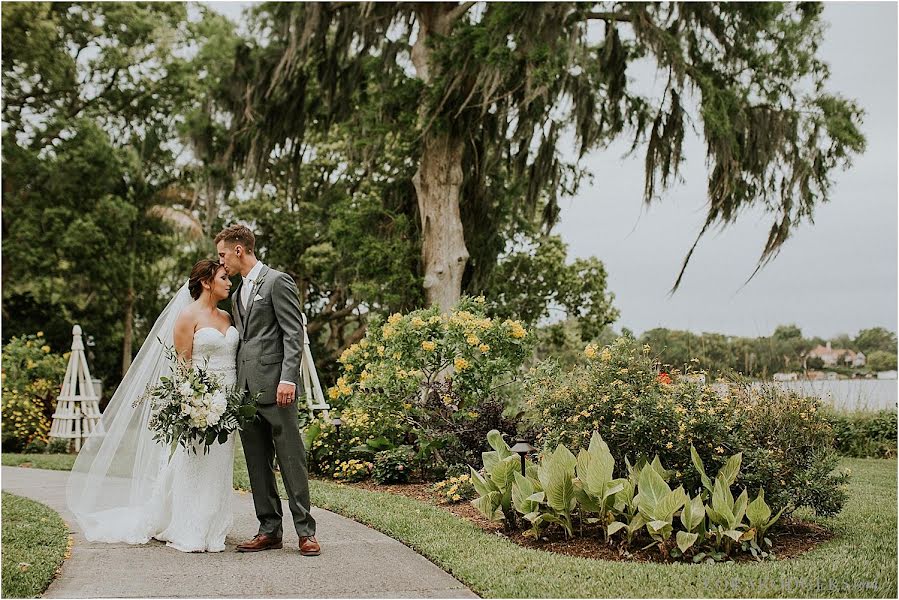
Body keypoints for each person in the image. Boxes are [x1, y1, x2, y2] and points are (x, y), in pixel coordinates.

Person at [67, 259, 238, 552]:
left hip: (228, 404)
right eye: (223, 277)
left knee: (220, 464)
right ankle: (189, 526)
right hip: (201, 401)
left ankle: (213, 525)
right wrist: (193, 401)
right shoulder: (187, 317)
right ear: (207, 282)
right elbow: (183, 367)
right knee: (195, 462)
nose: (229, 282)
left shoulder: (227, 317)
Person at [215, 224, 319, 556]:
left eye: (222, 254)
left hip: (278, 388)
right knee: (257, 464)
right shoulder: (236, 292)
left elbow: (293, 333)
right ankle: (269, 529)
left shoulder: (277, 281)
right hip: (245, 391)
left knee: (291, 459)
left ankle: (305, 532)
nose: (221, 262)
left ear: (239, 250)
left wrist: (288, 378)